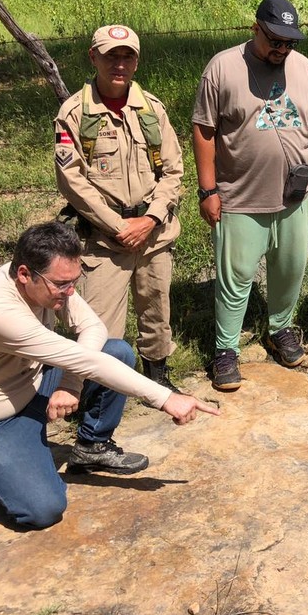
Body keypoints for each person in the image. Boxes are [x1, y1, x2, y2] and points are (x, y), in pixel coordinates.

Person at [0, 222, 219, 529]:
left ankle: (91, 447)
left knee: (116, 351)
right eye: (61, 285)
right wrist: (166, 398)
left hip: (30, 386)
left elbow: (93, 327)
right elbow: (88, 362)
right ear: (24, 274)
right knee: (44, 509)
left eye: (74, 281)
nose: (70, 292)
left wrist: (70, 384)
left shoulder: (45, 277)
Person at [192, 0, 308, 392]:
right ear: (255, 27)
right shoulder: (222, 68)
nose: (282, 49)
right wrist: (208, 189)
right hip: (239, 196)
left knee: (289, 272)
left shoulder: (303, 68)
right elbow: (204, 129)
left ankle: (281, 329)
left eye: (290, 42)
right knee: (235, 278)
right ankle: (225, 350)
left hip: (296, 196)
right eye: (275, 40)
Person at [54, 24, 184, 393]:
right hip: (104, 238)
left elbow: (174, 170)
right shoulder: (75, 114)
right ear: (93, 57)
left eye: (127, 56)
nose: (119, 63)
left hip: (152, 231)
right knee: (99, 321)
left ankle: (156, 373)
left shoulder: (151, 110)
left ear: (137, 62)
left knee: (156, 307)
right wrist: (117, 225)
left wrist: (150, 218)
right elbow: (72, 180)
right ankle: (98, 390)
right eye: (111, 55)